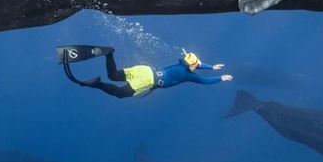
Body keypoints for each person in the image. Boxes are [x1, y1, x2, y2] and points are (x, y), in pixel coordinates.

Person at [78, 49, 233, 99]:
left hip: (146, 69)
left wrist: (212, 67)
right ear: (193, 66)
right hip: (148, 79)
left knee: (114, 76)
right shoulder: (189, 76)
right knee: (120, 93)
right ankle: (97, 84)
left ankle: (109, 54)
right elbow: (205, 81)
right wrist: (220, 77)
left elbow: (198, 65)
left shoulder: (180, 62)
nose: (198, 66)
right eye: (197, 65)